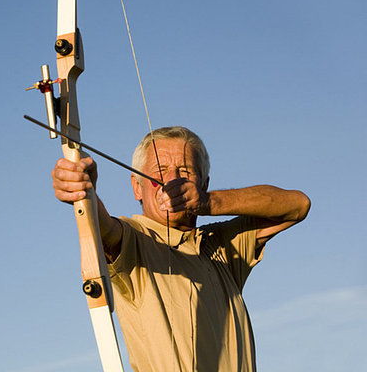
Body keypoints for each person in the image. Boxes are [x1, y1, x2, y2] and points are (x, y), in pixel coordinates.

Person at [51, 126, 310, 372]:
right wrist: (83, 191)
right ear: (136, 187)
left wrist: (209, 202)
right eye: (160, 170)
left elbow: (298, 205)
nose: (171, 181)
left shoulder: (220, 243)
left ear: (203, 184)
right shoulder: (135, 238)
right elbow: (103, 228)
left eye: (185, 172)